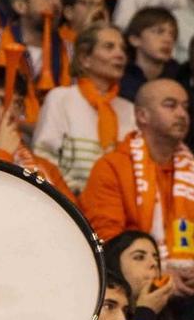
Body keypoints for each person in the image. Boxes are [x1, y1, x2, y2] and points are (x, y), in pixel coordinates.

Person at [78, 77, 194, 320]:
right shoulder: (112, 167)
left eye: (185, 107)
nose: (182, 114)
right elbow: (108, 236)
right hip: (135, 281)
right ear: (142, 115)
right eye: (170, 105)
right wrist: (159, 272)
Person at [35, 22, 134, 192]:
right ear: (84, 59)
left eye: (122, 49)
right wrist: (75, 201)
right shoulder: (61, 98)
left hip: (113, 207)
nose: (120, 54)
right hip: (68, 204)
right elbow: (44, 157)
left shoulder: (129, 110)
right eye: (109, 47)